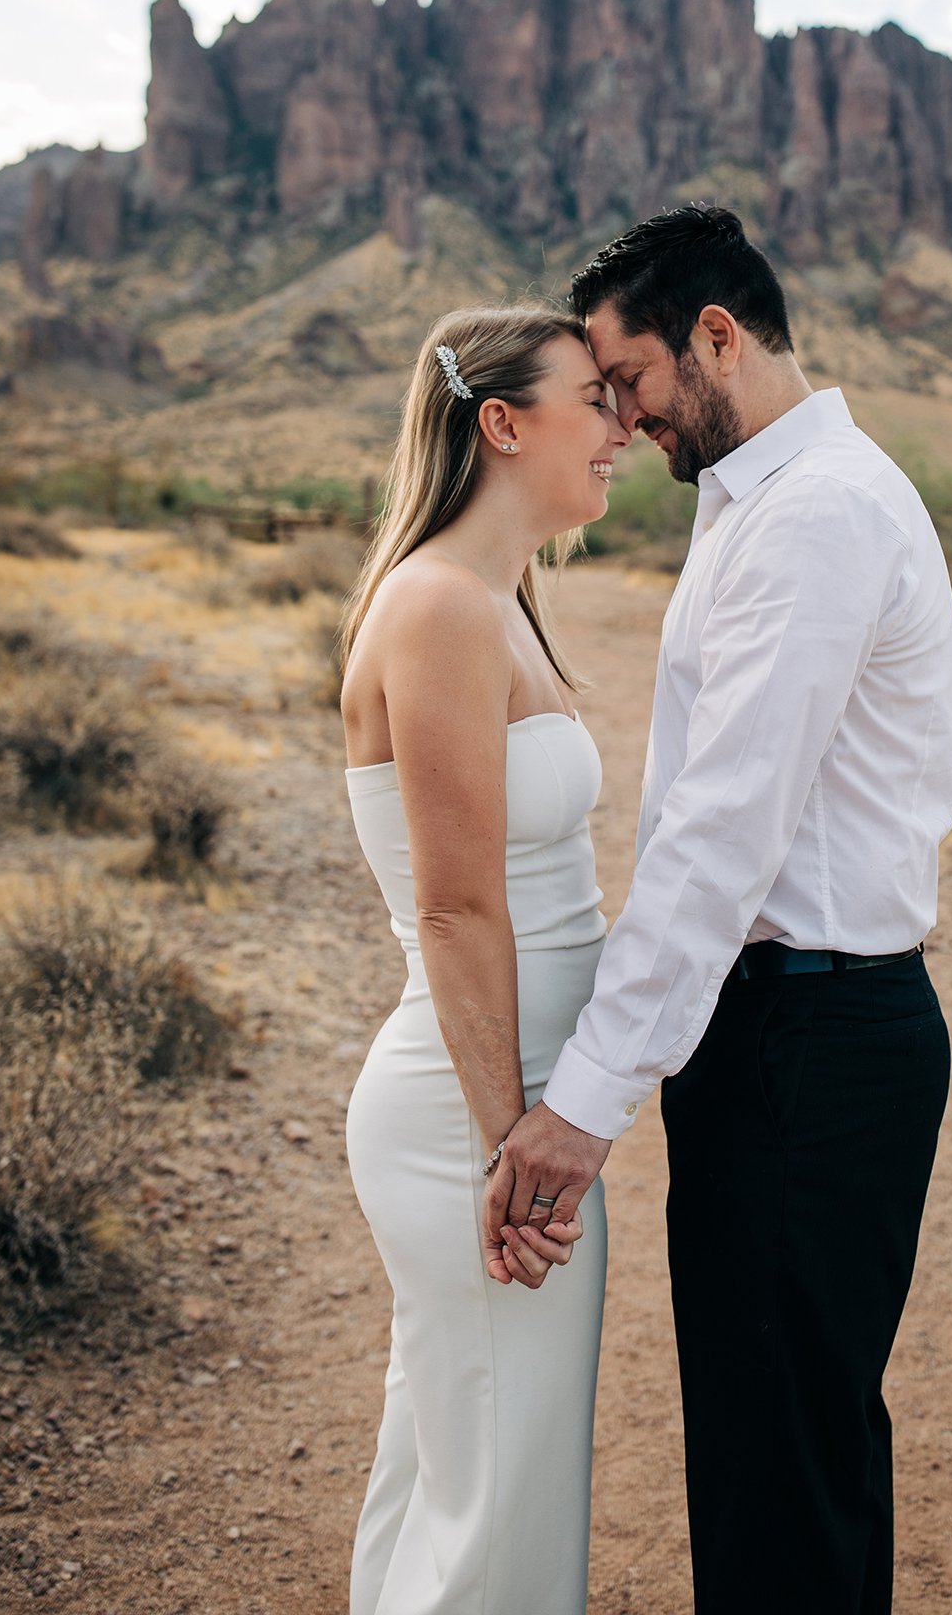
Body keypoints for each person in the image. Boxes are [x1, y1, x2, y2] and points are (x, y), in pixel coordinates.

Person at [484, 206, 952, 1615]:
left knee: (784, 1462)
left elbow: (716, 839)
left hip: (812, 1040)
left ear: (715, 336)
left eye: (625, 381)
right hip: (786, 1032)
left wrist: (581, 1109)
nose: (620, 422)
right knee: (776, 1450)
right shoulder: (763, 497)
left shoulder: (815, 516)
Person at [338, 302, 630, 1615]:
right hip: (482, 1114)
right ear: (503, 424)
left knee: (463, 1468)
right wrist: (519, 1139)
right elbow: (459, 911)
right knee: (496, 1499)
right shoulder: (442, 608)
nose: (622, 425)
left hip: (518, 1110)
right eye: (594, 398)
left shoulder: (500, 601)